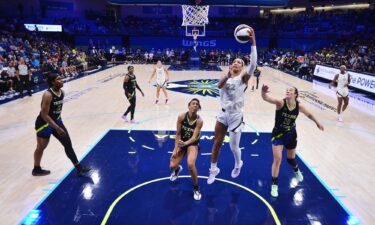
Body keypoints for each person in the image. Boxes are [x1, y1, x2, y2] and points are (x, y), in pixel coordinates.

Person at [207, 27, 257, 184]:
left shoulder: (243, 79)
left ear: (242, 68)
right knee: (217, 143)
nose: (236, 63)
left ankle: (238, 163)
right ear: (230, 66)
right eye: (234, 61)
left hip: (236, 115)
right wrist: (227, 75)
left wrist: (253, 40)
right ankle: (213, 169)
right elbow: (219, 86)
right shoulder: (226, 77)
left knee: (234, 147)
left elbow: (254, 64)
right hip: (223, 114)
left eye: (239, 62)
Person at [261, 84, 324, 197]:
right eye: (287, 90)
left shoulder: (299, 106)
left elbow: (309, 114)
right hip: (278, 134)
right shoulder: (281, 103)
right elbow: (266, 98)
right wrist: (263, 92)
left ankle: (296, 170)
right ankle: (274, 186)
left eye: (291, 90)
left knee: (290, 159)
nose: (288, 91)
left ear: (295, 94)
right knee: (278, 159)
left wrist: (317, 122)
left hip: (291, 134)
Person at [33, 73, 90, 176]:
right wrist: (57, 127)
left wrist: (57, 125)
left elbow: (56, 111)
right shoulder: (48, 95)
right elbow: (44, 114)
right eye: (59, 79)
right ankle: (36, 169)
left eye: (61, 78)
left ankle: (79, 168)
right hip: (44, 124)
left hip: (56, 121)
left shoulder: (62, 92)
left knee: (67, 144)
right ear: (52, 82)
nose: (62, 80)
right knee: (41, 147)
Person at [170, 98, 203, 200]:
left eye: (197, 104)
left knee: (190, 164)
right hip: (182, 142)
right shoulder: (181, 117)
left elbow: (194, 138)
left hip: (192, 143)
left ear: (198, 108)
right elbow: (178, 133)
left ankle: (196, 188)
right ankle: (177, 169)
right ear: (188, 106)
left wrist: (185, 144)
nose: (194, 105)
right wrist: (175, 149)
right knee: (172, 165)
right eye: (193, 104)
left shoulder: (199, 121)